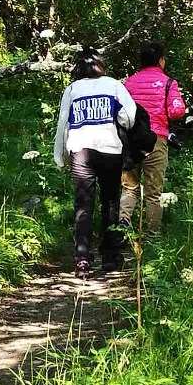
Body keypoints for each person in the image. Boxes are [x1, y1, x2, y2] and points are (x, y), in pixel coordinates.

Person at [54, 47, 147, 279]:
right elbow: (129, 114)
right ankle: (110, 256)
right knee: (111, 202)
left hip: (80, 150)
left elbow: (63, 123)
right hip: (110, 149)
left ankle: (82, 259)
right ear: (100, 65)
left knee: (83, 205)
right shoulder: (114, 85)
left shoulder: (72, 89)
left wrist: (60, 157)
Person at [121, 41, 186, 235]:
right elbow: (176, 111)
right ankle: (152, 237)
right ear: (160, 60)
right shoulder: (168, 83)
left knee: (129, 188)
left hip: (131, 141)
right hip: (156, 139)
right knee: (153, 193)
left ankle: (122, 229)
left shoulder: (128, 82)